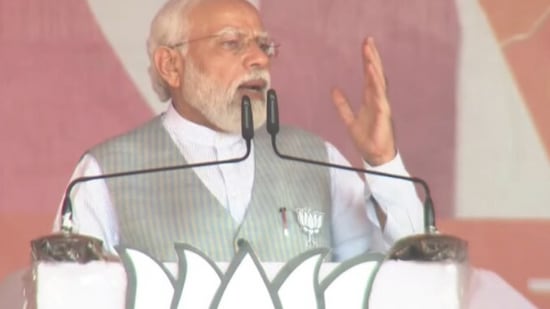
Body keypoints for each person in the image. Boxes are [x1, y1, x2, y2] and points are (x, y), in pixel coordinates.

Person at [54, 0, 423, 262]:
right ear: (170, 65)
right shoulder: (108, 172)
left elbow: (404, 276)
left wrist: (383, 164)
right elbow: (67, 293)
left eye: (264, 46)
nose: (259, 59)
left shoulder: (317, 159)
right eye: (232, 44)